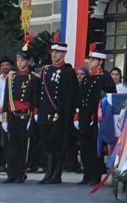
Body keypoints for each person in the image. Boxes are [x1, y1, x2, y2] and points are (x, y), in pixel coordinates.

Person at [36, 34, 77, 184]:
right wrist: (38, 110)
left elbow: (71, 96)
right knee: (46, 144)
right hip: (45, 112)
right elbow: (40, 92)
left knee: (57, 144)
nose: (54, 54)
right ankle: (48, 172)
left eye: (57, 52)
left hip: (59, 114)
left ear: (64, 54)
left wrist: (66, 114)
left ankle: (56, 173)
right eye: (53, 52)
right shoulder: (46, 70)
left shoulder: (68, 72)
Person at [1, 38, 40, 184]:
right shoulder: (11, 77)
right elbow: (6, 99)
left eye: (22, 60)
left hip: (26, 115)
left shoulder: (34, 78)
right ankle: (11, 173)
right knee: (12, 145)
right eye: (18, 60)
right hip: (12, 114)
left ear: (29, 61)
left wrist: (33, 117)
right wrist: (5, 118)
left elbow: (35, 100)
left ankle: (21, 173)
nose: (19, 62)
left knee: (24, 147)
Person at [76, 44, 116, 185]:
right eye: (89, 59)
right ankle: (87, 174)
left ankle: (95, 175)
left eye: (93, 60)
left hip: (97, 117)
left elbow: (111, 98)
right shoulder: (87, 78)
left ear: (100, 61)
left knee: (95, 147)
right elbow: (81, 98)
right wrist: (77, 114)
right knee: (85, 146)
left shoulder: (105, 78)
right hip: (85, 116)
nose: (90, 62)